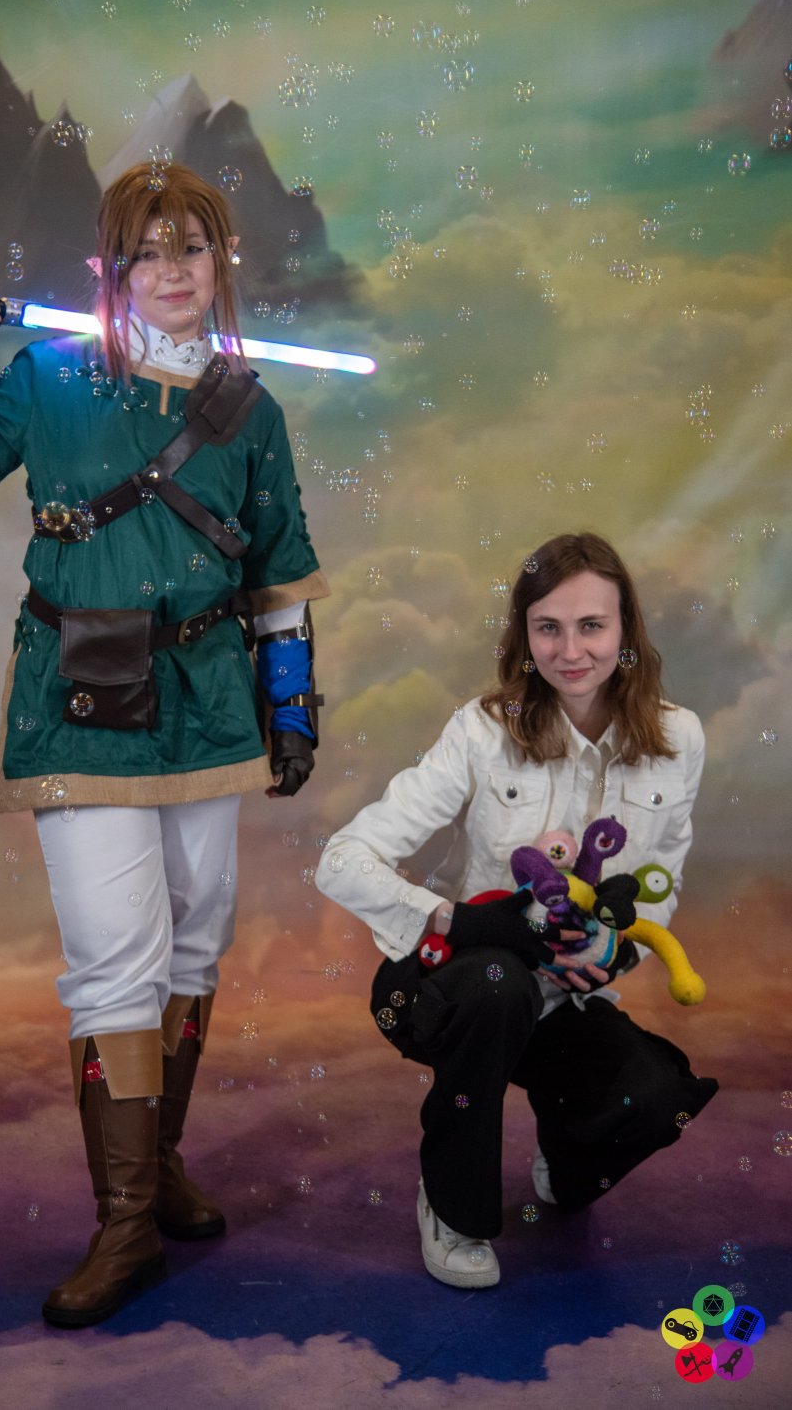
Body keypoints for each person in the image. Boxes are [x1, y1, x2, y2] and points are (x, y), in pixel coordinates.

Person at [0, 162, 329, 1327]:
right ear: (113, 269)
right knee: (113, 958)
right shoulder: (48, 374)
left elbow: (277, 577)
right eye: (149, 250)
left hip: (208, 703)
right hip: (79, 699)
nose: (173, 269)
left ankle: (158, 1163)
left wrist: (291, 708)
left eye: (193, 246)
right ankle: (125, 1223)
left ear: (219, 262)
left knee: (193, 947)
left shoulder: (250, 408)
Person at [315, 532, 716, 1290]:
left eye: (591, 625)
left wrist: (615, 954)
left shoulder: (678, 737)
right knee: (497, 982)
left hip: (564, 999)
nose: (570, 650)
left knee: (658, 1098)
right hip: (450, 984)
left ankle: (565, 1152)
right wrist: (463, 922)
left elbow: (661, 879)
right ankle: (453, 1206)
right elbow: (341, 859)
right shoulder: (481, 730)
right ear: (523, 635)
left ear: (626, 629)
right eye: (547, 627)